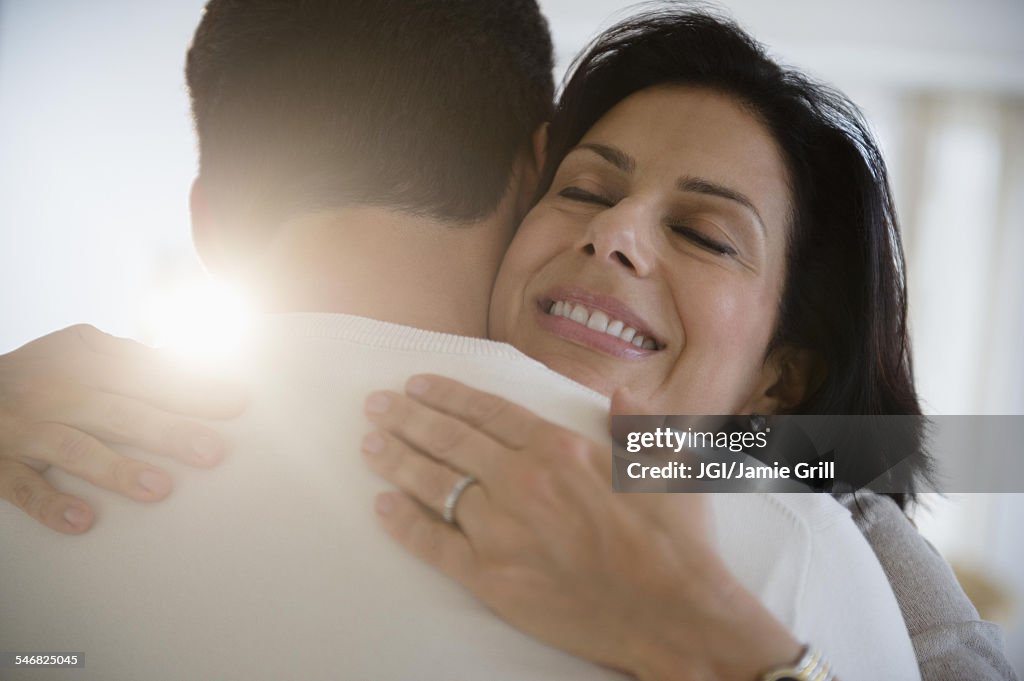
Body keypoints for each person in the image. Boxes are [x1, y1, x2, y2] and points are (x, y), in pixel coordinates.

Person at [0, 2, 1013, 680]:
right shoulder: (55, 425)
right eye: (588, 185)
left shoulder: (807, 546)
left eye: (702, 233)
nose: (611, 235)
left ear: (781, 385)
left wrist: (724, 642)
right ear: (532, 181)